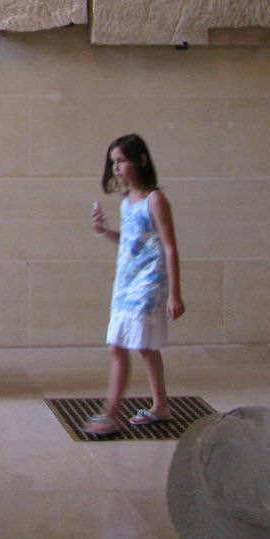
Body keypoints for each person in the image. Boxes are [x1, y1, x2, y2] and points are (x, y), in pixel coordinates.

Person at [84, 133, 185, 436]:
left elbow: (169, 247)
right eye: (113, 163)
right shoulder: (127, 201)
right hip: (126, 283)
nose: (116, 168)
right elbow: (130, 241)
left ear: (140, 160)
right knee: (144, 346)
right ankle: (160, 405)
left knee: (119, 345)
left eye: (122, 161)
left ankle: (110, 413)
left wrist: (175, 293)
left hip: (148, 283)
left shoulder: (156, 201)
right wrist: (104, 231)